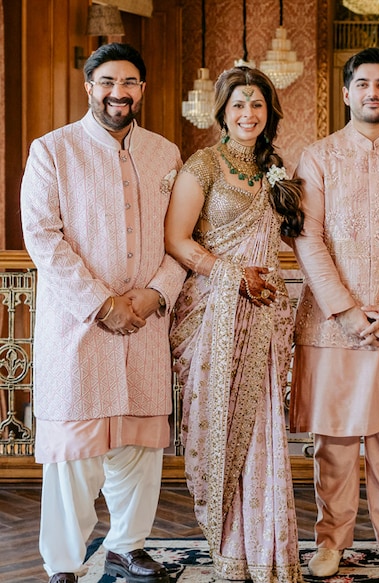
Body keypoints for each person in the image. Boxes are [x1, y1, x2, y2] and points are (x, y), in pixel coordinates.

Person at [21, 42, 181, 583]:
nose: (119, 92)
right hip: (78, 328)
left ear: (142, 88)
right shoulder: (52, 150)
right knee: (74, 454)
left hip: (145, 323)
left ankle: (126, 546)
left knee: (140, 448)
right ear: (89, 86)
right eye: (108, 81)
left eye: (130, 82)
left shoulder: (166, 153)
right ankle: (64, 562)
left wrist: (156, 293)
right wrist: (101, 304)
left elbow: (183, 240)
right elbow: (43, 238)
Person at [291, 47, 379, 578]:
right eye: (363, 84)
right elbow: (308, 238)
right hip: (334, 325)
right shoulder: (318, 156)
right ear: (347, 92)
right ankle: (332, 541)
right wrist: (345, 310)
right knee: (336, 438)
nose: (373, 92)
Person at [164, 66, 305, 583]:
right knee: (221, 425)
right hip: (213, 314)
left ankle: (266, 551)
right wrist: (231, 276)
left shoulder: (273, 168)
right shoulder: (202, 165)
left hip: (263, 315)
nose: (249, 115)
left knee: (263, 427)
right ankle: (229, 549)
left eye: (258, 106)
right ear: (222, 111)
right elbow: (178, 240)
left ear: (269, 114)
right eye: (239, 105)